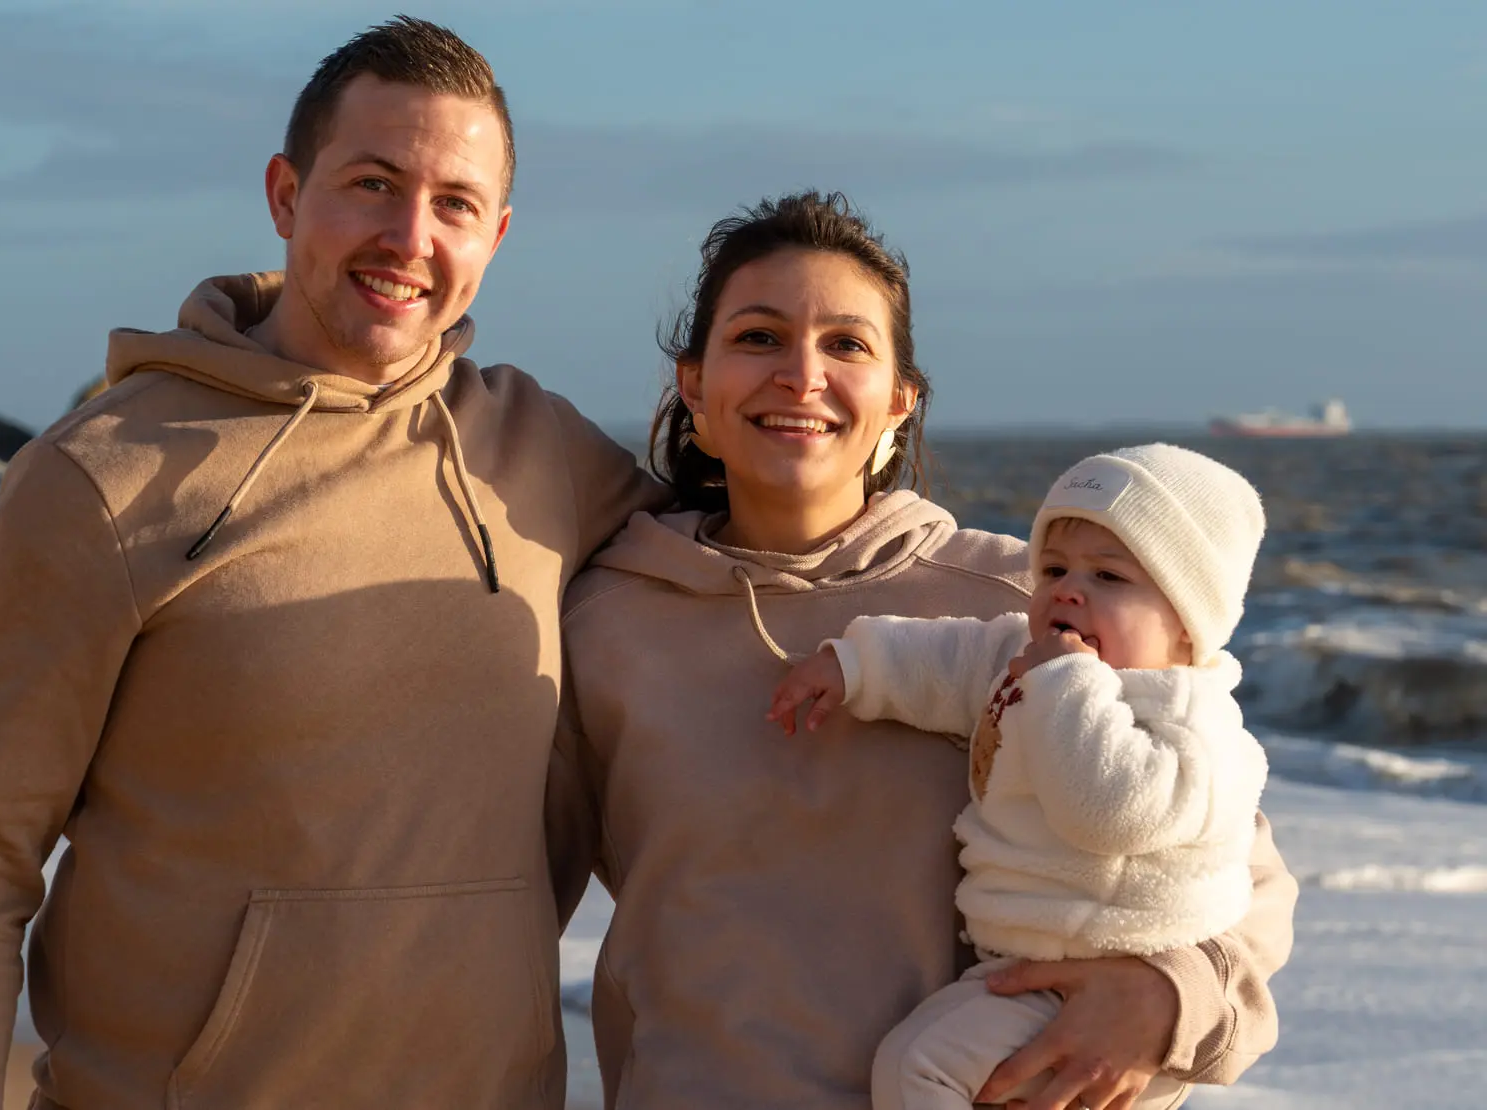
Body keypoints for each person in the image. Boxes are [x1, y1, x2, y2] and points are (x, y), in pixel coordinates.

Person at [0, 17, 662, 1110]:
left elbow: (761, 572)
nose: (408, 235)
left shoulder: (548, 459)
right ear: (285, 195)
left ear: (495, 233)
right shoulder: (98, 478)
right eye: (371, 182)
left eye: (452, 205)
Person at [546, 192, 1298, 1110]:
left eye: (847, 345)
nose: (801, 374)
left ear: (901, 401)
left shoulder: (1030, 606)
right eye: (758, 337)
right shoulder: (602, 624)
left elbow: (1233, 869)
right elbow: (500, 897)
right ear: (693, 386)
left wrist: (1166, 1001)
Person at [769, 443, 1271, 1110]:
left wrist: (1068, 682)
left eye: (1110, 578)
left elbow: (1110, 812)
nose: (1068, 589)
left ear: (1186, 622)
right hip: (1026, 964)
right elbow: (946, 658)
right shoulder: (1026, 659)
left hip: (1107, 979)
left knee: (920, 1070)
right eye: (1056, 568)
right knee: (920, 1062)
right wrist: (856, 666)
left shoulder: (1194, 724)